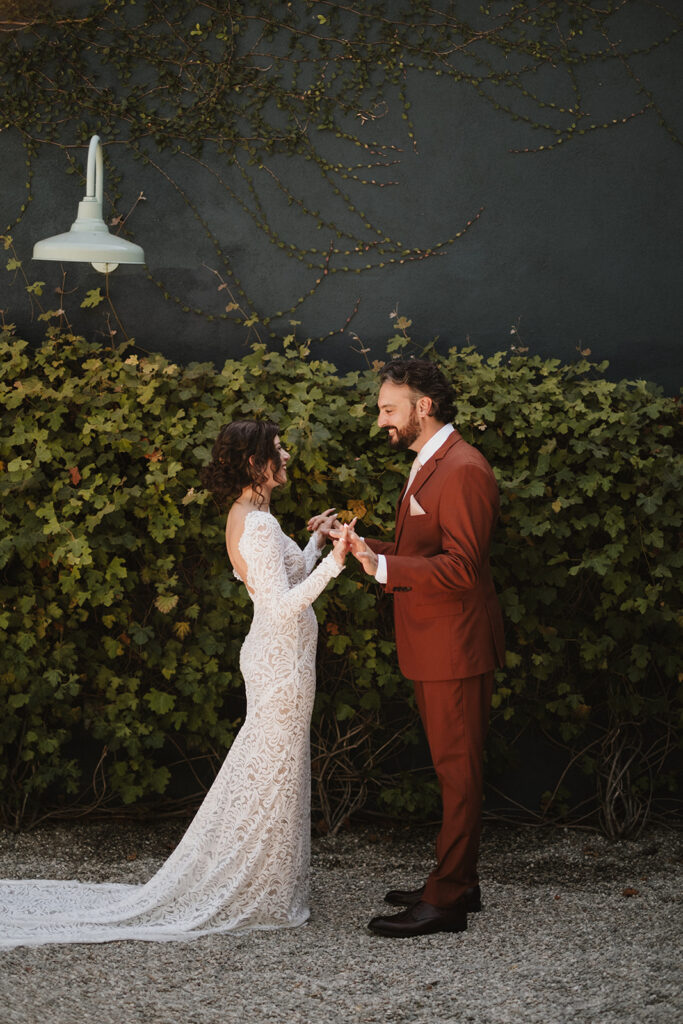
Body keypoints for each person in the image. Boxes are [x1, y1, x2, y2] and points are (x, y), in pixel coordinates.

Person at [0, 419, 352, 947]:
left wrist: (315, 543)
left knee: (276, 768)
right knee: (272, 770)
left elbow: (284, 579)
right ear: (256, 464)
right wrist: (339, 563)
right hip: (280, 661)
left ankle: (268, 883)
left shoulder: (252, 516)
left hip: (283, 658)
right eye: (277, 451)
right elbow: (280, 606)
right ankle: (256, 888)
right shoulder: (255, 524)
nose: (286, 458)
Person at [347, 358, 505, 938]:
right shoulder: (431, 460)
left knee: (458, 772)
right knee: (452, 768)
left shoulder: (462, 468)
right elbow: (424, 545)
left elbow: (462, 568)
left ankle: (447, 901)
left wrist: (383, 565)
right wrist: (362, 545)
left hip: (456, 646)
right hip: (437, 642)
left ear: (423, 407)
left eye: (389, 409)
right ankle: (457, 880)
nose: (381, 420)